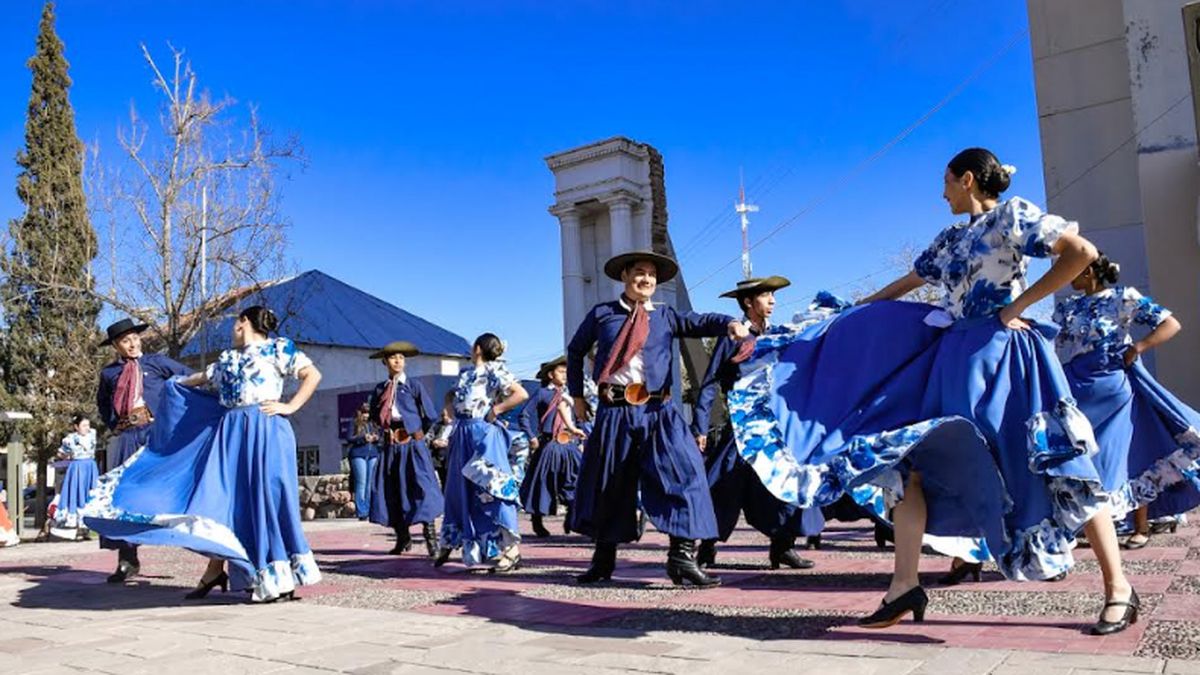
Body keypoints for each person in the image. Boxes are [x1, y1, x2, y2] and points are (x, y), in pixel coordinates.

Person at [728, 148, 1136, 635]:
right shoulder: (950, 238)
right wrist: (850, 315)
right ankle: (904, 585)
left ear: (967, 180)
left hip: (1008, 360)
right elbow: (909, 281)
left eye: (946, 182)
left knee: (1060, 467)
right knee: (913, 464)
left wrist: (1016, 308)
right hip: (954, 359)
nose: (941, 193)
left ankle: (1119, 588)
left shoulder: (1013, 215)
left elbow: (1081, 254)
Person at [84, 306, 323, 603]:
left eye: (235, 323)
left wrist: (291, 406)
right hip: (232, 432)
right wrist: (174, 385)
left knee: (271, 497)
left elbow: (312, 374)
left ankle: (278, 575)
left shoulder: (279, 348)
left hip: (266, 429)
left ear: (243, 323)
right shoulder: (227, 358)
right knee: (233, 501)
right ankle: (250, 573)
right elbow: (197, 378)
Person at [567, 250, 750, 588]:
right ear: (625, 276)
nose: (647, 279)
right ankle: (602, 561)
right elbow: (575, 351)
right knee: (609, 484)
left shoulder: (665, 316)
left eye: (652, 274)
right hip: (615, 413)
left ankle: (681, 558)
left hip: (660, 412)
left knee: (686, 475)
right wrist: (577, 396)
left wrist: (730, 323)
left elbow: (699, 321)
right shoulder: (602, 314)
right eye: (640, 272)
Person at [1054, 254, 1200, 549]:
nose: (1067, 274)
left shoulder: (1124, 298)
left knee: (1126, 456)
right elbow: (1056, 343)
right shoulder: (1068, 307)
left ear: (1090, 272)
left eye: (1073, 269)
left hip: (1115, 385)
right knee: (1080, 457)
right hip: (1077, 386)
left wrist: (1139, 346)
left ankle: (1141, 525)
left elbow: (1171, 324)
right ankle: (1077, 525)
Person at [693, 276, 821, 570]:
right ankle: (706, 546)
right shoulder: (732, 336)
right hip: (742, 423)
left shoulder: (778, 335)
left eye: (773, 296)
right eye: (766, 296)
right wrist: (700, 426)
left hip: (777, 424)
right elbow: (710, 383)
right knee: (723, 483)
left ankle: (783, 547)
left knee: (787, 481)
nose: (773, 301)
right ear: (749, 303)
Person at [94, 318, 191, 583]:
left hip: (156, 432)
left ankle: (200, 545)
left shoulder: (156, 363)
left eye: (135, 338)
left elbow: (187, 377)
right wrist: (114, 424)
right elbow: (103, 403)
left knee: (170, 487)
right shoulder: (109, 373)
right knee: (121, 495)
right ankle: (127, 559)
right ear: (116, 345)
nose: (133, 343)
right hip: (127, 435)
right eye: (125, 341)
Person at [435, 333, 529, 572]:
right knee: (459, 490)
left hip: (483, 434)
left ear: (478, 348)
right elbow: (451, 395)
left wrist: (496, 409)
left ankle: (511, 549)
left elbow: (521, 393)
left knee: (494, 489)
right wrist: (449, 409)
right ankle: (452, 542)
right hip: (462, 433)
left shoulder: (493, 371)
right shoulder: (465, 373)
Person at [366, 341, 444, 556]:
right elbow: (374, 414)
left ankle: (432, 541)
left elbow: (430, 414)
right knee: (394, 490)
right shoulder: (380, 389)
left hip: (412, 445)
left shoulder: (414, 386)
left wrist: (417, 433)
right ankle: (403, 538)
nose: (398, 361)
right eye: (393, 358)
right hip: (391, 447)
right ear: (385, 362)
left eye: (401, 357)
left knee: (423, 488)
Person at [519, 356, 586, 537]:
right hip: (549, 444)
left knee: (576, 480)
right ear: (550, 374)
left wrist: (579, 440)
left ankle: (571, 516)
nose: (565, 375)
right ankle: (537, 521)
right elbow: (524, 415)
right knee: (542, 482)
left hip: (569, 444)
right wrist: (532, 437)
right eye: (561, 372)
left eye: (566, 372)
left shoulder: (570, 395)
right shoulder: (542, 394)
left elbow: (578, 418)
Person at [49, 415, 100, 541]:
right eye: (83, 425)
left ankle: (86, 529)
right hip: (77, 467)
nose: (87, 428)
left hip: (90, 466)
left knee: (90, 495)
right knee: (77, 496)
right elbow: (60, 452)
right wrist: (68, 456)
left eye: (88, 425)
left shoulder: (92, 434)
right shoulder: (70, 439)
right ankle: (77, 528)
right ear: (76, 427)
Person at [344, 404, 379, 521]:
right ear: (360, 413)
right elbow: (349, 438)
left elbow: (381, 436)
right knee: (361, 483)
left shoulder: (373, 424)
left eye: (368, 412)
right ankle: (362, 511)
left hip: (372, 454)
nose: (366, 415)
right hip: (358, 454)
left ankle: (369, 509)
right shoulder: (354, 423)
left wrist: (376, 438)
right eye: (364, 412)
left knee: (370, 483)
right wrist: (363, 438)